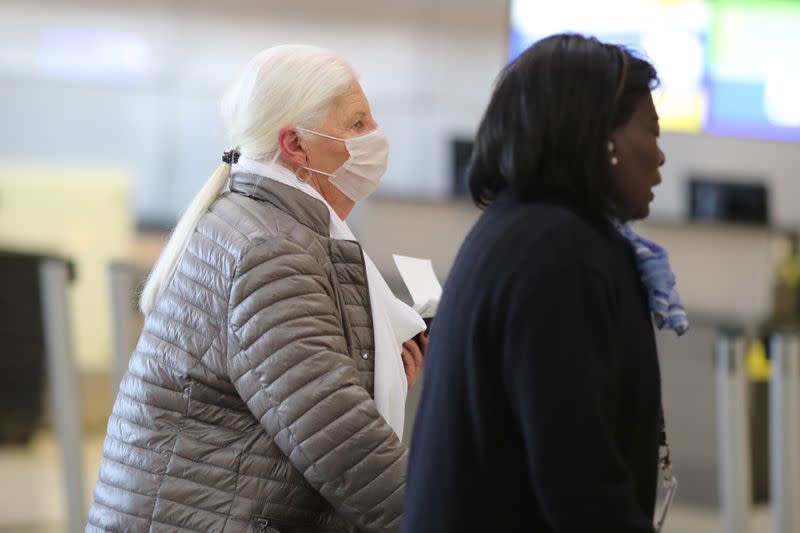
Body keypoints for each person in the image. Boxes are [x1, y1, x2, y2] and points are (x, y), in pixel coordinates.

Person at [87, 45, 428, 533]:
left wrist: (377, 376)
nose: (375, 138)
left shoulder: (264, 224)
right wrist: (448, 506)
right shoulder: (270, 249)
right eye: (356, 124)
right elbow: (339, 438)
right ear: (296, 144)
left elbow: (292, 395)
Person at [402, 33, 689, 533]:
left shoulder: (520, 230)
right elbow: (580, 478)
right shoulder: (562, 252)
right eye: (651, 130)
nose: (660, 156)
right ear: (600, 138)